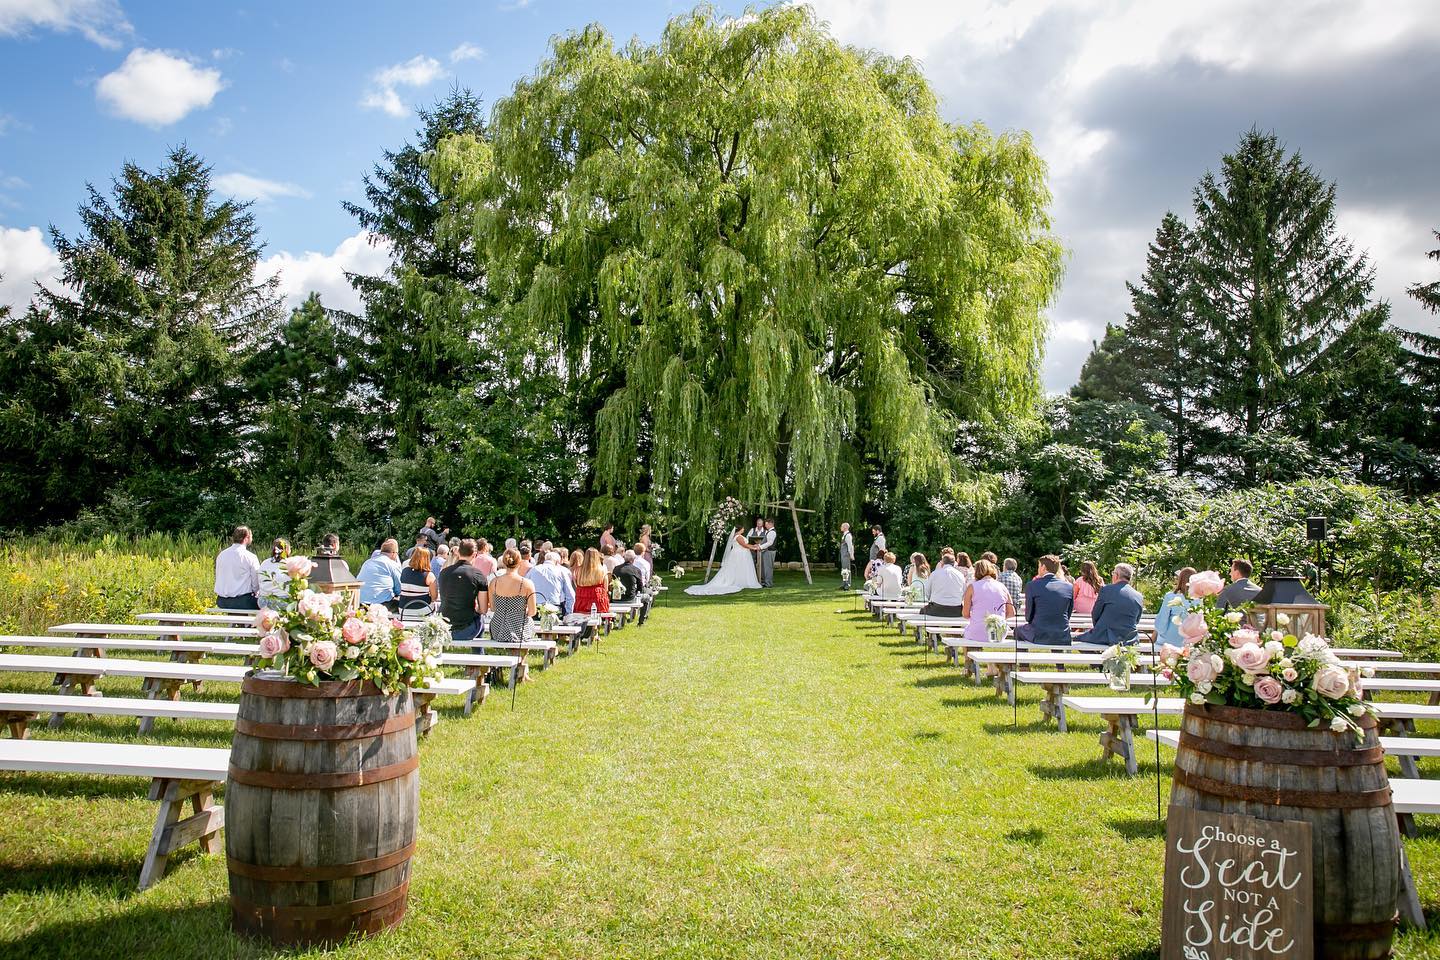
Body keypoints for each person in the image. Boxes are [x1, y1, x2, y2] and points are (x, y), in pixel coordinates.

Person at [489, 548, 538, 676]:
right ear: (520, 562)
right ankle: (521, 669)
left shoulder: (494, 582)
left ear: (504, 563)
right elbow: (532, 611)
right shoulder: (527, 583)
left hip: (498, 627)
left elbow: (493, 608)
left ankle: (515, 670)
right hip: (518, 627)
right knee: (529, 625)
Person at [1075, 563, 1146, 646]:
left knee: (1077, 639)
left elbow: (1095, 614)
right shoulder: (1139, 596)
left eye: (1113, 573)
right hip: (1129, 639)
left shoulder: (1106, 590)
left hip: (1105, 636)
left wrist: (1098, 628)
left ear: (1116, 575)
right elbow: (1136, 620)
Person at [685, 526, 762, 596]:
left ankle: (741, 580)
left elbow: (745, 545)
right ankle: (739, 581)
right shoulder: (738, 537)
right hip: (740, 554)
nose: (744, 529)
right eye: (743, 528)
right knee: (739, 567)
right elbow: (744, 545)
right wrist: (754, 548)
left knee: (739, 568)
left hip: (740, 553)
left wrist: (753, 546)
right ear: (740, 529)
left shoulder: (737, 536)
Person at [439, 539, 490, 641]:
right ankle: (479, 653)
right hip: (466, 628)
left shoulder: (443, 573)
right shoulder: (478, 575)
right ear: (474, 555)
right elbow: (483, 609)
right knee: (480, 619)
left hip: (443, 627)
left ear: (459, 552)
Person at [1016, 554, 1073, 645]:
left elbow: (1028, 616)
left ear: (1043, 567)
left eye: (1039, 566)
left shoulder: (1032, 585)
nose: (1038, 569)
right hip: (1062, 633)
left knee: (1017, 631)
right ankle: (1058, 657)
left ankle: (1025, 659)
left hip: (1039, 633)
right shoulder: (1069, 587)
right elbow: (1068, 613)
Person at [962, 559, 1016, 643]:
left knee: (967, 634)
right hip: (999, 631)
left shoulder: (972, 587)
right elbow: (1011, 613)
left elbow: (965, 614)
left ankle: (968, 656)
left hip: (978, 631)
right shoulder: (1002, 587)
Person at [215, 526, 261, 610]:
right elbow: (256, 581)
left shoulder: (222, 555)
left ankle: (240, 623)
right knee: (263, 603)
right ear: (246, 537)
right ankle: (247, 623)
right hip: (242, 600)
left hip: (222, 601)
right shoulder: (250, 557)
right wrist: (256, 592)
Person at [1154, 567, 1199, 648]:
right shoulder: (1200, 599)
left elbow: (1162, 621)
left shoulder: (1170, 596)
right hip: (1192, 639)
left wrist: (1162, 634)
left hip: (1171, 639)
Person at [357, 539, 404, 611]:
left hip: (360, 603)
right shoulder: (392, 564)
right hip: (380, 604)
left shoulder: (367, 562)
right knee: (401, 605)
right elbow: (400, 588)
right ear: (394, 553)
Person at [527, 550, 576, 615]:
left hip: (536, 607)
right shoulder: (561, 572)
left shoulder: (534, 570)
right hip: (555, 608)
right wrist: (569, 612)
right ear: (557, 562)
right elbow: (570, 594)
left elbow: (525, 584)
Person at [920, 552, 967, 617]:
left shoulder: (934, 574)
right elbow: (964, 592)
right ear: (954, 563)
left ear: (942, 562)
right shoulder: (960, 575)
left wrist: (931, 600)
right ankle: (956, 627)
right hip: (955, 609)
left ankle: (934, 627)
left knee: (922, 611)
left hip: (936, 608)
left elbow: (927, 591)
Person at [399, 546, 438, 614]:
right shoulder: (429, 575)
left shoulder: (404, 571)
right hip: (421, 609)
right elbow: (434, 597)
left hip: (403, 609)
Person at [257, 538, 291, 610]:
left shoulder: (264, 563)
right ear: (287, 550)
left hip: (263, 602)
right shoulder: (289, 564)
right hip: (282, 601)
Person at [575, 547, 613, 612]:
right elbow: (605, 589)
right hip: (597, 603)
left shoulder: (578, 571)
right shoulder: (602, 570)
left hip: (581, 603)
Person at [756, 518, 778, 588]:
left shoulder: (772, 532)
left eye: (766, 524)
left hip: (769, 552)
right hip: (766, 551)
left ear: (770, 524)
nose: (765, 526)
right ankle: (764, 582)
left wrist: (760, 547)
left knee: (768, 568)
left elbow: (770, 543)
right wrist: (759, 545)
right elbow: (765, 541)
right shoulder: (769, 531)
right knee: (764, 567)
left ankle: (768, 584)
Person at [838, 522, 854, 590]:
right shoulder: (844, 535)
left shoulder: (848, 535)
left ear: (845, 527)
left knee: (847, 570)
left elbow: (850, 546)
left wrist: (851, 555)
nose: (840, 527)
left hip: (846, 555)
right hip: (843, 555)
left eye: (841, 526)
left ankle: (847, 585)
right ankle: (844, 583)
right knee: (844, 570)